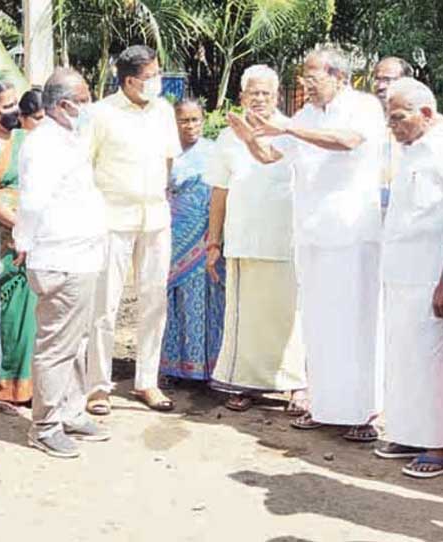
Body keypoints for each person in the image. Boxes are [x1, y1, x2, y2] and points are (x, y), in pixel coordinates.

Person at [227, 47, 385, 442]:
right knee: (317, 324)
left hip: (352, 234)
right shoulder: (305, 116)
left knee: (354, 325)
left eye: (312, 77)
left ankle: (362, 412)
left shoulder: (362, 107)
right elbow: (269, 156)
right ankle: (326, 406)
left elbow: (347, 141)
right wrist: (248, 137)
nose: (306, 84)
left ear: (339, 76)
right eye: (304, 78)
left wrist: (287, 128)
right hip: (312, 235)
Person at [14, 68, 109, 458]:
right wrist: (23, 241)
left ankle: (70, 410)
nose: (89, 105)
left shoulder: (69, 138)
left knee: (76, 340)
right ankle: (46, 424)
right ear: (65, 104)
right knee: (56, 344)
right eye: (84, 99)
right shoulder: (44, 145)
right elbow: (33, 203)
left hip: (80, 256)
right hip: (60, 258)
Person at [86, 45, 180, 415]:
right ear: (129, 81)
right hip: (111, 219)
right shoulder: (101, 114)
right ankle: (98, 386)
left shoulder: (163, 112)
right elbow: (86, 165)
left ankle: (147, 381)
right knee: (104, 305)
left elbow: (169, 162)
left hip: (155, 218)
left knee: (154, 301)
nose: (157, 81)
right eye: (150, 76)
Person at [207, 65, 307, 412]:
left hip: (286, 241)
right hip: (243, 240)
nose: (260, 99)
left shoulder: (293, 133)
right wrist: (212, 243)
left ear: (277, 97)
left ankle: (297, 387)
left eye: (266, 93)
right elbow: (219, 192)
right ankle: (245, 384)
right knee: (245, 320)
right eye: (254, 93)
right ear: (242, 97)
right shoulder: (225, 138)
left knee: (289, 316)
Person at [378, 78, 443, 477]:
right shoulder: (411, 150)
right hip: (402, 271)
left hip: (430, 276)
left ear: (426, 114)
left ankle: (436, 444)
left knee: (431, 361)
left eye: (398, 118)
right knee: (404, 357)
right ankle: (409, 431)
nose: (392, 126)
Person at [0, 80, 37, 408]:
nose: (15, 110)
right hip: (3, 238)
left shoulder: (23, 139)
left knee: (29, 312)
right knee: (9, 313)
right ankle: (3, 385)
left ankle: (26, 385)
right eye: (7, 106)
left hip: (29, 234)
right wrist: (21, 226)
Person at [159, 99, 224, 383]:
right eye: (184, 120)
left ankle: (209, 367)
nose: (190, 126)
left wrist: (216, 237)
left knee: (207, 299)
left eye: (195, 119)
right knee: (173, 300)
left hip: (206, 238)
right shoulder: (165, 152)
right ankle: (175, 367)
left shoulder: (214, 152)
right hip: (172, 237)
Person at [373, 57, 414, 216]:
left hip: (409, 214)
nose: (380, 86)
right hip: (371, 212)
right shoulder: (364, 119)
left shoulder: (422, 122)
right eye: (377, 79)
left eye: (388, 80)